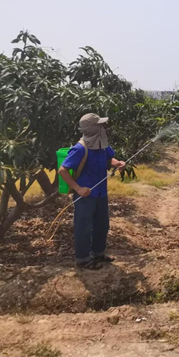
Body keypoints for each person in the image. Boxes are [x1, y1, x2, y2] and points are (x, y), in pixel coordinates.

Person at [58, 114, 126, 270]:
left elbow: (109, 159)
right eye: (99, 125)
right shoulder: (80, 148)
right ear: (91, 129)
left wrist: (118, 163)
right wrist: (78, 188)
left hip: (101, 194)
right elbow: (63, 170)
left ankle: (98, 253)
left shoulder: (102, 144)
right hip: (85, 196)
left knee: (102, 225)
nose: (103, 128)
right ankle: (82, 259)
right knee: (83, 227)